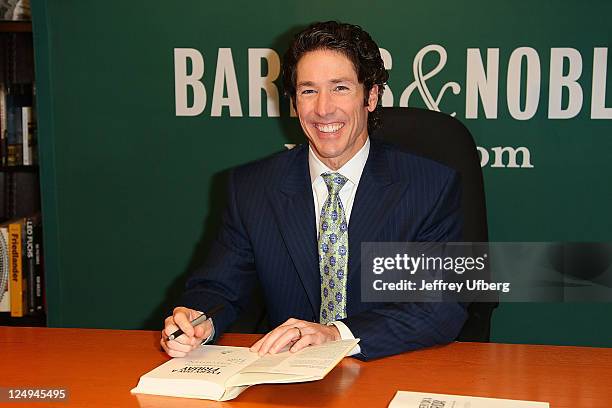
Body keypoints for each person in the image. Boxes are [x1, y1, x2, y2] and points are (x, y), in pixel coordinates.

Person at [161, 21, 467, 361]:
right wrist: (198, 319)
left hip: (387, 366)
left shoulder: (431, 186)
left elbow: (441, 306)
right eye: (308, 91)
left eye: (340, 88)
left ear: (372, 96)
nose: (323, 109)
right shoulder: (251, 189)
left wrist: (336, 335)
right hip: (287, 376)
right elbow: (218, 288)